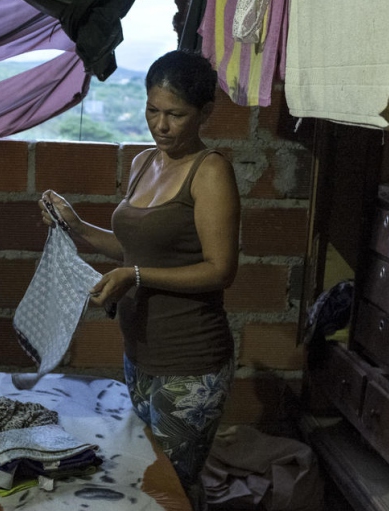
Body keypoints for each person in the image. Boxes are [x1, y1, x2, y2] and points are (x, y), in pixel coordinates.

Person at [38, 50, 240, 510]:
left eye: (176, 114)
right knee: (146, 476)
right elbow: (134, 249)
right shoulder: (144, 163)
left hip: (190, 364)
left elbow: (220, 270)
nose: (161, 125)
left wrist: (134, 276)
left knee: (169, 488)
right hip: (139, 355)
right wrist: (74, 224)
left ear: (205, 113)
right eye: (153, 110)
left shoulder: (210, 173)